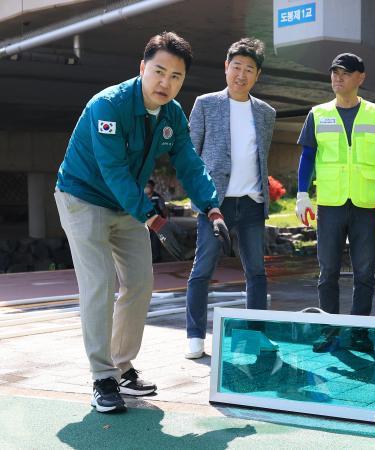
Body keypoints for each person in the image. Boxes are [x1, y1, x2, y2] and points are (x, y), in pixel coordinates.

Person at [54, 32, 229, 413]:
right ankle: (102, 377)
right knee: (100, 283)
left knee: (139, 282)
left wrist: (212, 208)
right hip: (83, 197)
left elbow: (189, 162)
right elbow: (113, 170)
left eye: (176, 76)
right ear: (142, 68)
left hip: (126, 204)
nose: (166, 82)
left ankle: (121, 367)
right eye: (159, 71)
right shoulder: (108, 105)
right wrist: (152, 218)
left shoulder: (172, 114)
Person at [295, 53, 375, 352]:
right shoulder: (318, 113)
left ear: (360, 77)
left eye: (345, 72)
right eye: (334, 72)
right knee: (327, 271)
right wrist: (302, 195)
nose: (338, 78)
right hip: (330, 203)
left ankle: (359, 332)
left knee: (365, 272)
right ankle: (328, 331)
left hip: (365, 204)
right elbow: (307, 157)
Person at [184, 38, 276, 359]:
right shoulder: (205, 104)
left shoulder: (266, 113)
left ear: (257, 75)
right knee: (202, 269)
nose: (241, 74)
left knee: (257, 272)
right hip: (216, 204)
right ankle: (195, 336)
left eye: (249, 69)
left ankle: (256, 336)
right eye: (236, 66)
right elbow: (190, 156)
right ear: (226, 67)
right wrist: (204, 200)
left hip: (252, 203)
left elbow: (261, 157)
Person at [145, 179, 169, 263]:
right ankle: (148, 257)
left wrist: (165, 220)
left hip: (156, 222)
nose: (146, 188)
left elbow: (163, 210)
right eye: (146, 186)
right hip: (146, 223)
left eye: (148, 186)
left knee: (156, 241)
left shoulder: (157, 198)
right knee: (146, 241)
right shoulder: (143, 197)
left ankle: (157, 257)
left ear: (152, 187)